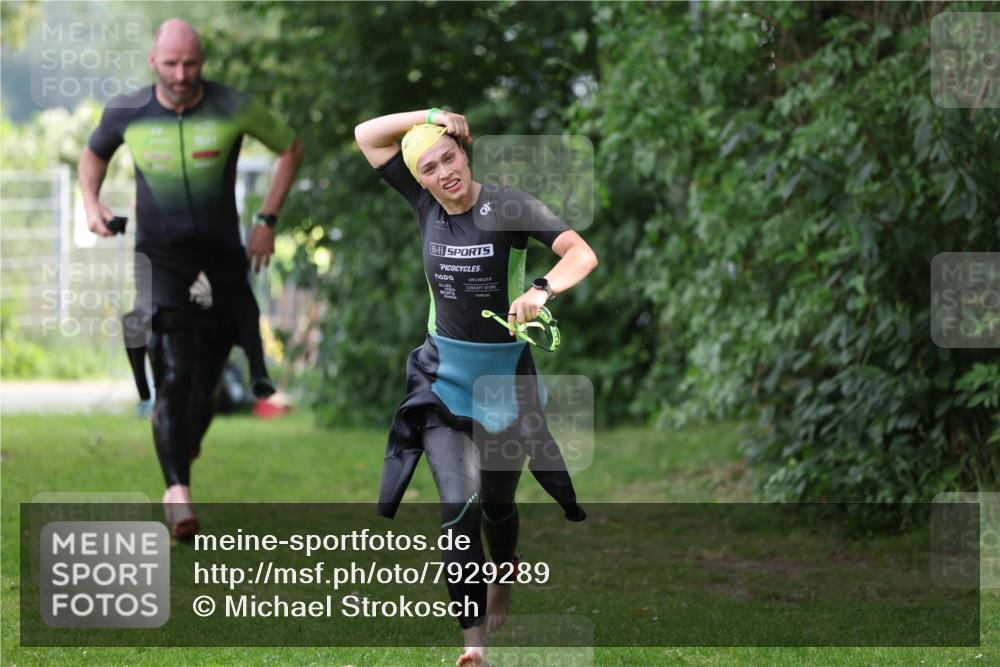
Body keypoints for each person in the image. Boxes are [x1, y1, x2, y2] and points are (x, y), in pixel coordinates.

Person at [355, 108, 598, 666]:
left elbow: (580, 253)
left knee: (496, 504)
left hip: (502, 383)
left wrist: (541, 289)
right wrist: (432, 116)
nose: (444, 173)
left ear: (466, 154)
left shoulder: (507, 205)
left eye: (449, 158)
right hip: (442, 380)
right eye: (429, 168)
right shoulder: (423, 204)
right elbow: (366, 136)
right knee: (457, 506)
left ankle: (504, 571)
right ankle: (473, 645)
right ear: (417, 180)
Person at [79, 19, 304, 539]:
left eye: (191, 64)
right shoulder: (127, 111)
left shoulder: (231, 104)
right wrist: (91, 202)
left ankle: (184, 440)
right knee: (174, 372)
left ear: (201, 63)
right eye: (172, 64)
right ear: (153, 62)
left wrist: (267, 221)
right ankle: (177, 492)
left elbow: (290, 148)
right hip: (160, 260)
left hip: (224, 260)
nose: (182, 75)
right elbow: (93, 153)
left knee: (206, 382)